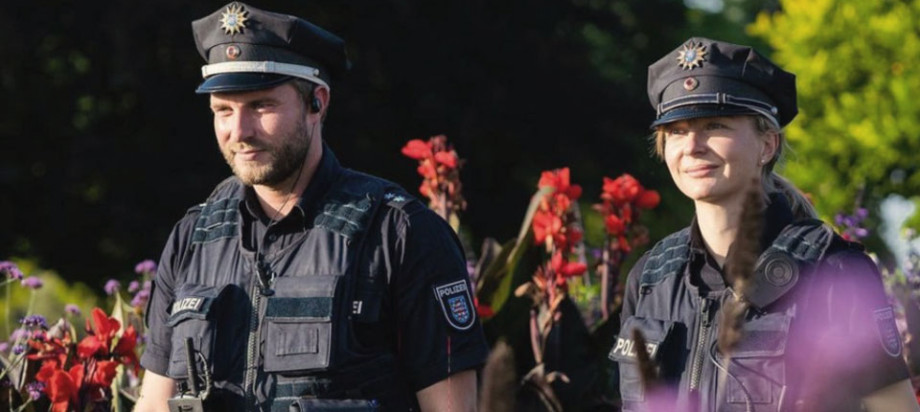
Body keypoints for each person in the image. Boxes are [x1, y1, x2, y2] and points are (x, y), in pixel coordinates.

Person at [133, 3, 488, 411]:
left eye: (261, 106)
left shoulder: (401, 235)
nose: (239, 132)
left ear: (316, 102)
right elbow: (155, 403)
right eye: (223, 110)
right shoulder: (193, 238)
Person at [609, 37, 919, 412]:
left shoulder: (833, 272)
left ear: (767, 145)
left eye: (715, 125)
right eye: (676, 130)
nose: (692, 146)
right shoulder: (650, 279)